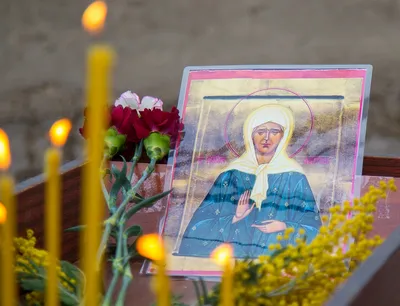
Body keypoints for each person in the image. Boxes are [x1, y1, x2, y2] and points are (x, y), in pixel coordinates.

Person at [175, 104, 322, 258]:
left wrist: (284, 226)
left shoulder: (294, 176)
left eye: (274, 132)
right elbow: (198, 227)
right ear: (250, 134)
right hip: (232, 262)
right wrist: (235, 217)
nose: (266, 138)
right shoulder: (231, 174)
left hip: (275, 264)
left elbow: (313, 228)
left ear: (283, 136)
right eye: (260, 131)